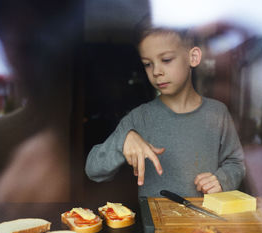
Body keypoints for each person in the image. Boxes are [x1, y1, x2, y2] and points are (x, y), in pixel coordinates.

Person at [85, 24, 245, 197]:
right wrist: (121, 141)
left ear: (193, 57)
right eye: (147, 64)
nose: (156, 71)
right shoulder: (139, 118)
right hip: (155, 223)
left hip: (207, 222)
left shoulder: (218, 113)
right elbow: (93, 170)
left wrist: (222, 179)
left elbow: (236, 162)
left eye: (166, 60)